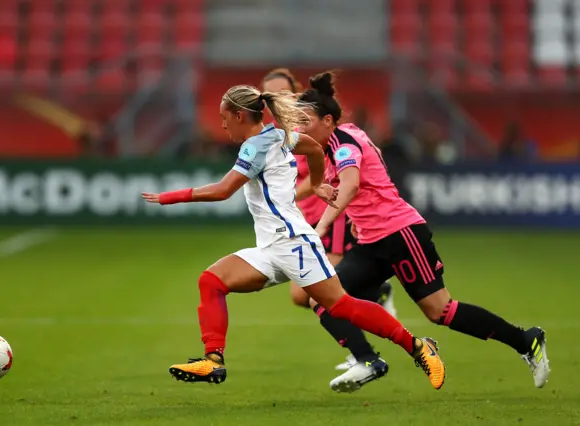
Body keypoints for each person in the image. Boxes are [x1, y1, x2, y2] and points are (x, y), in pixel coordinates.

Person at [142, 84, 446, 391]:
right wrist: (317, 183)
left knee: (339, 305)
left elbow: (223, 190)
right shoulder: (279, 135)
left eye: (224, 117)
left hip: (293, 244)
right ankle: (213, 360)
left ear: (238, 115)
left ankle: (419, 347)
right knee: (211, 281)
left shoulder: (255, 146)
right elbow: (314, 148)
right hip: (271, 247)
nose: (222, 125)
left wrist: (169, 197)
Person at [297, 71, 550, 389]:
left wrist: (320, 226)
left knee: (439, 310)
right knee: (323, 299)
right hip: (371, 242)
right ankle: (367, 361)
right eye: (297, 121)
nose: (299, 128)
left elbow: (349, 185)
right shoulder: (327, 143)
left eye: (305, 121)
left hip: (400, 234)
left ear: (328, 121)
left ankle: (526, 341)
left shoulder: (345, 143)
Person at [261, 68, 397, 391]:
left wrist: (291, 194)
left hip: (328, 215)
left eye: (281, 92)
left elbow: (326, 176)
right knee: (305, 295)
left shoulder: (309, 127)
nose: (274, 100)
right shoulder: (277, 130)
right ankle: (373, 300)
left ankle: (363, 354)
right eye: (268, 95)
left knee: (318, 291)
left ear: (294, 91)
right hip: (304, 220)